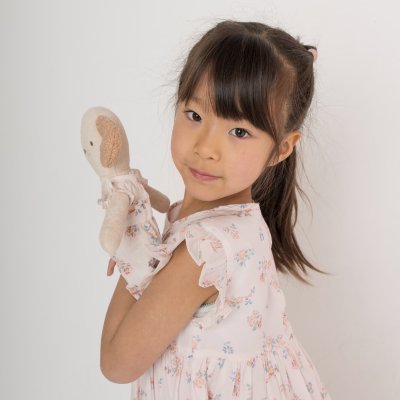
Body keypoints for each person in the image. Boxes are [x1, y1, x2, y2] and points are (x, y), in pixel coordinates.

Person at [100, 19, 332, 399]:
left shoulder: (205, 251)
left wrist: (133, 244)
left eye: (239, 132)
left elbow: (117, 362)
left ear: (281, 149)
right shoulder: (225, 228)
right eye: (195, 116)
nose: (206, 148)